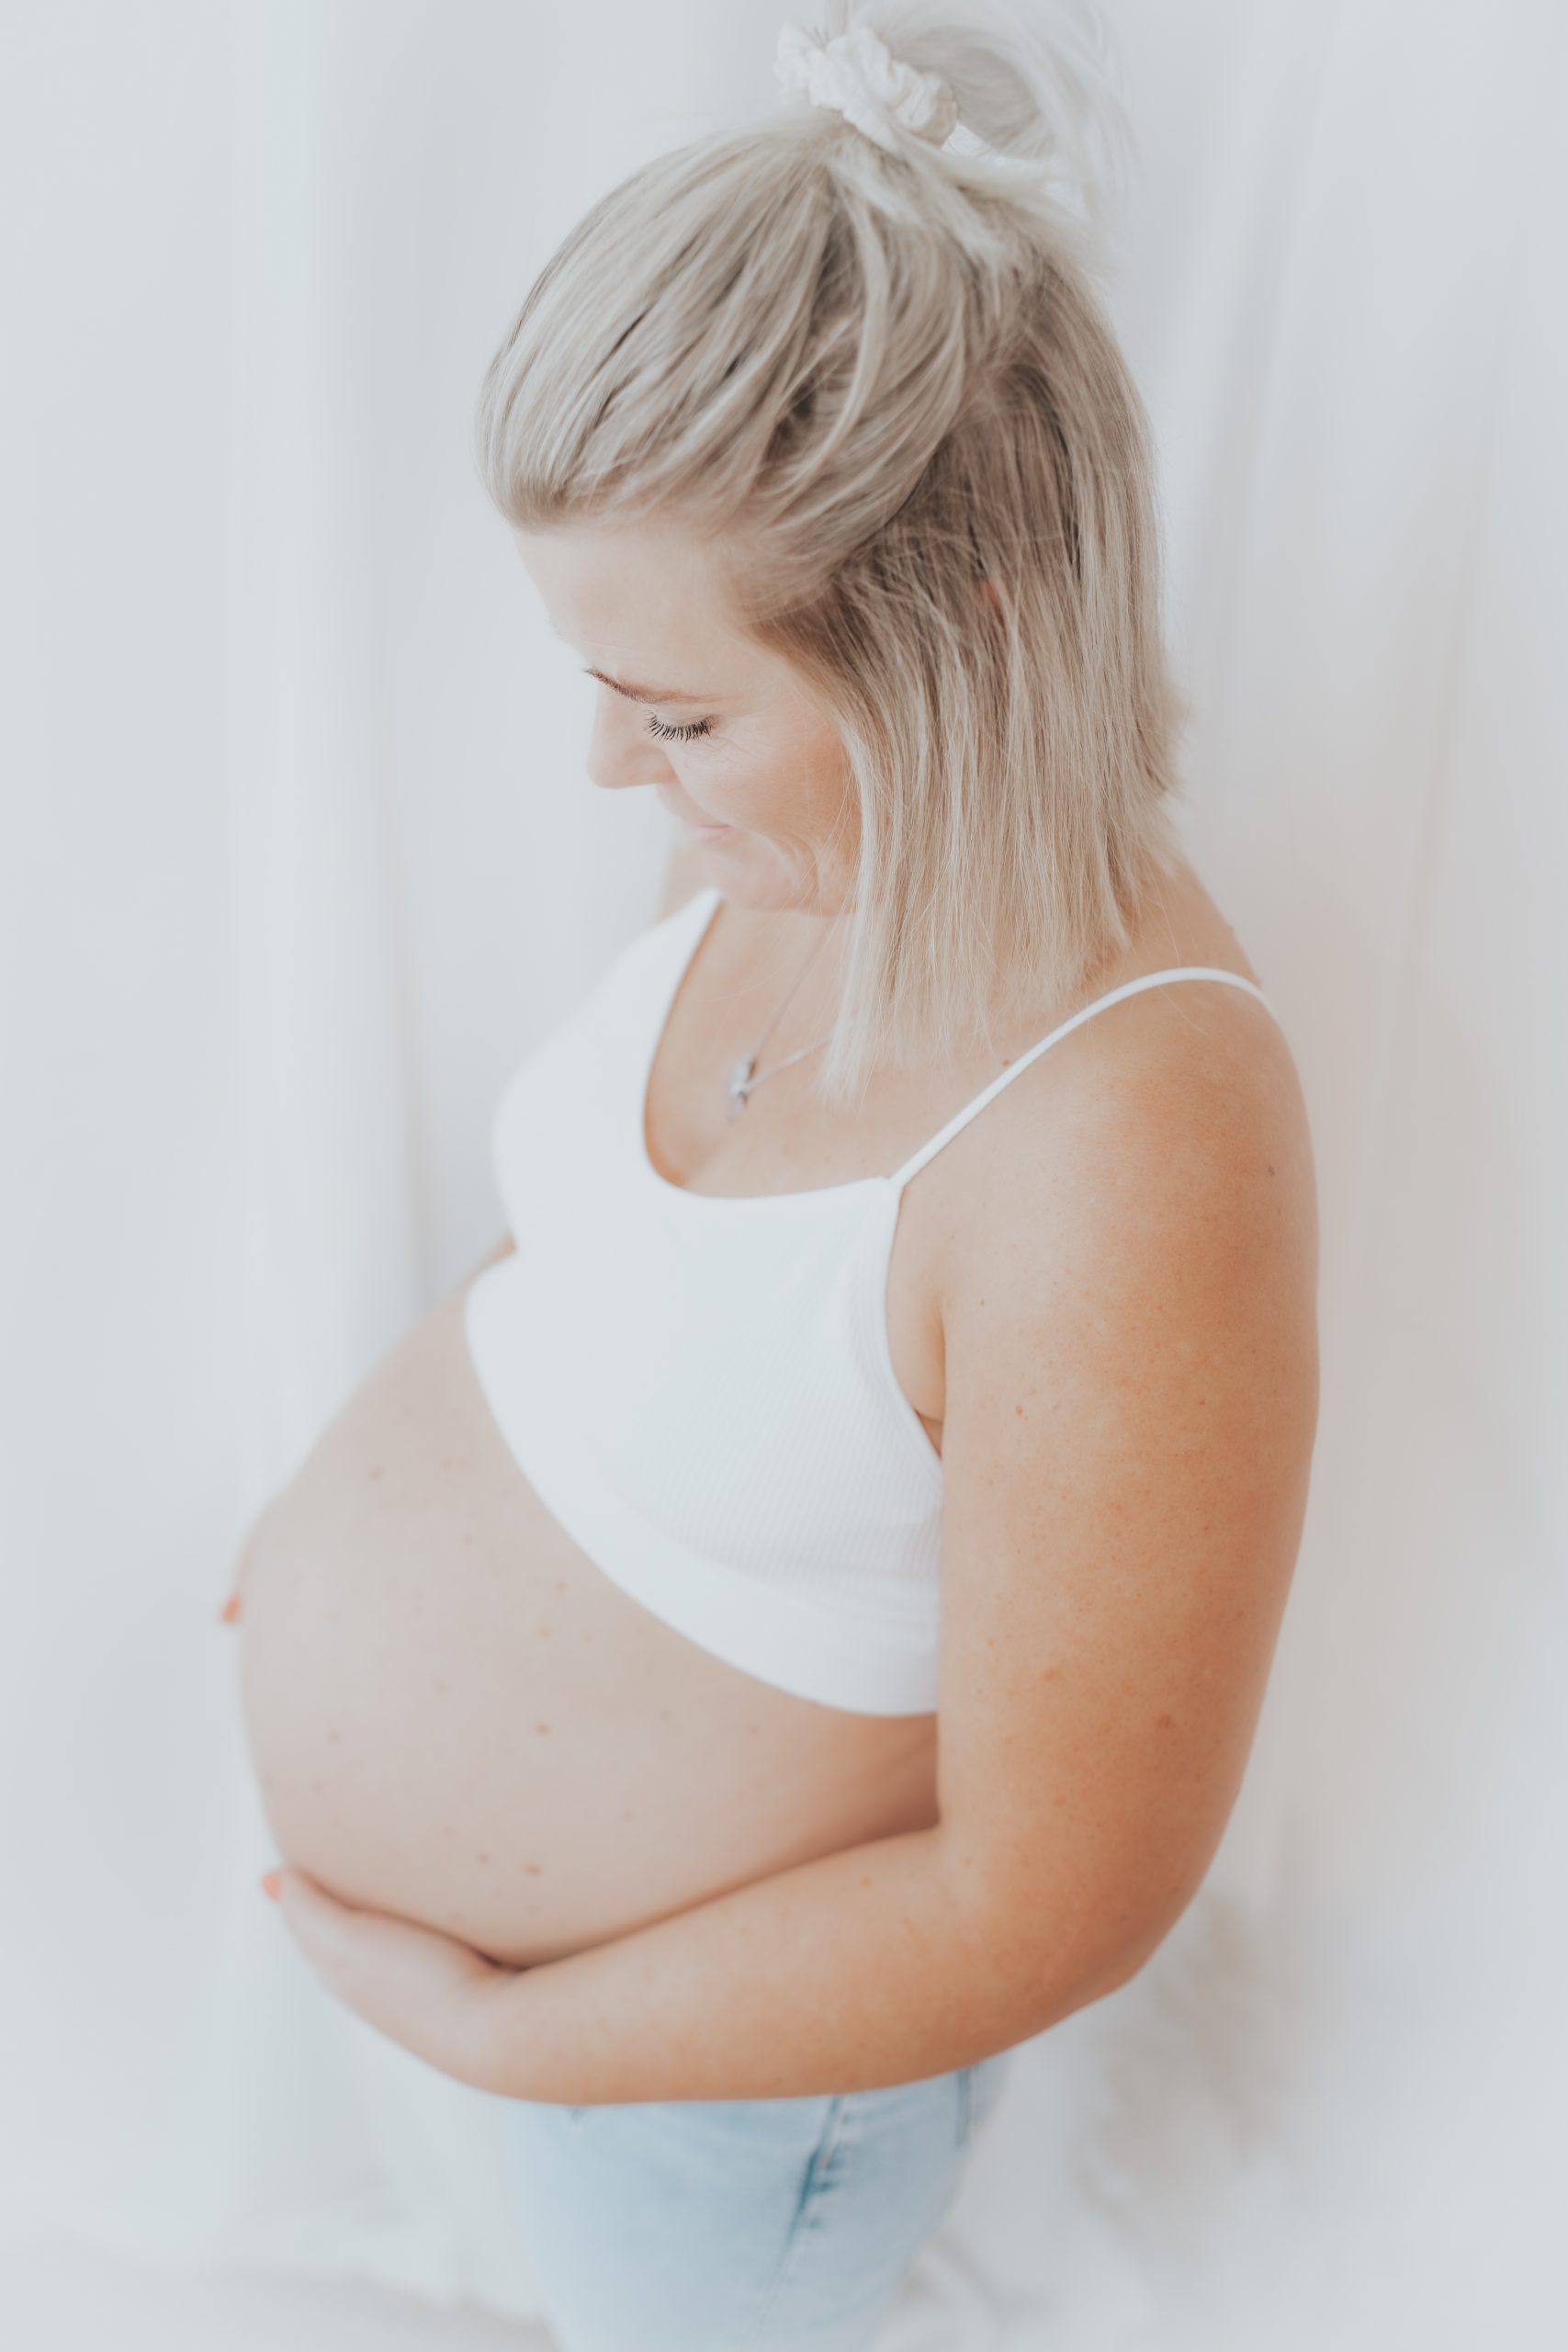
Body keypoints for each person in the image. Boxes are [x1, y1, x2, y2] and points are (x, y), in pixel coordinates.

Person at [259, 7, 1319, 2346]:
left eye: (675, 711)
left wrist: (523, 2032)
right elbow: (626, 1268)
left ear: (963, 635)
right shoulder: (788, 851)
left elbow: (1048, 1898)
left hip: (712, 2110)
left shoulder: (1127, 1139)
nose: (608, 769)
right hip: (574, 2019)